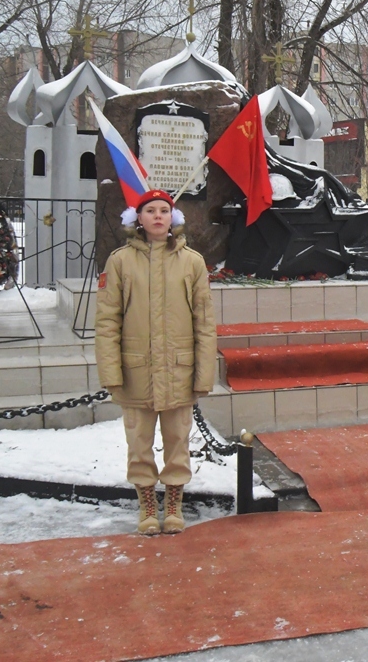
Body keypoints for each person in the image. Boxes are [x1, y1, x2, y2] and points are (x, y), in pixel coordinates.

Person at [95, 189, 217, 535]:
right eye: (151, 211)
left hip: (178, 371)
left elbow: (204, 323)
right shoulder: (119, 261)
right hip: (137, 372)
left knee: (178, 443)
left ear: (173, 218)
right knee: (139, 445)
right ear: (139, 218)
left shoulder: (192, 262)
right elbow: (107, 321)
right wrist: (111, 372)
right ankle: (148, 506)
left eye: (164, 210)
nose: (158, 217)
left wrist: (202, 373)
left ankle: (174, 505)